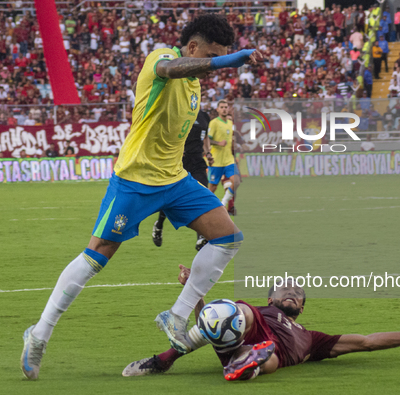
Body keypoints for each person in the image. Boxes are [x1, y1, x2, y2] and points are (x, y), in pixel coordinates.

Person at [20, 14, 264, 380]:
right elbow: (170, 68)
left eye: (220, 58)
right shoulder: (160, 57)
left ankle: (178, 315)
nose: (214, 67)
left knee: (229, 238)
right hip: (135, 179)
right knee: (98, 254)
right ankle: (39, 333)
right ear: (194, 49)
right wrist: (224, 61)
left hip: (175, 180)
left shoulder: (196, 86)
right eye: (211, 56)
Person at [122, 265, 400, 381]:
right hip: (239, 333)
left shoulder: (313, 338)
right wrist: (194, 293)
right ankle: (164, 360)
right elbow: (212, 323)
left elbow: (368, 341)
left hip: (265, 355)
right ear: (271, 298)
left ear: (302, 308)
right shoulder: (259, 311)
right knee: (227, 310)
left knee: (269, 357)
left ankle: (245, 366)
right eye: (287, 290)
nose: (294, 293)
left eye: (299, 294)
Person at [152, 108, 214, 251]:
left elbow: (205, 137)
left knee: (203, 195)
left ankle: (201, 237)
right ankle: (159, 224)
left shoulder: (204, 116)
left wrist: (208, 152)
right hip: (180, 162)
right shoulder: (179, 112)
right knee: (170, 199)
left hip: (198, 161)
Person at [208, 100, 239, 214]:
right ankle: (205, 208)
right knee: (212, 188)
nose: (224, 109)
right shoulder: (214, 123)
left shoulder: (230, 123)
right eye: (222, 107)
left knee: (236, 181)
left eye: (226, 107)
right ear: (218, 109)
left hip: (229, 160)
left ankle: (223, 203)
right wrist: (218, 143)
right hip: (216, 161)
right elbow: (208, 140)